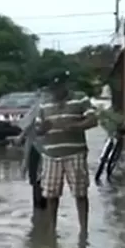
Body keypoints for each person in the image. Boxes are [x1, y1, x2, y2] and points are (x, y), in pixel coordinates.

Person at [35, 71, 97, 234]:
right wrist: (43, 128)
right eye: (53, 88)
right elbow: (38, 130)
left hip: (75, 153)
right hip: (51, 155)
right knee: (51, 194)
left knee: (80, 192)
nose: (56, 91)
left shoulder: (80, 98)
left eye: (59, 87)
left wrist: (75, 126)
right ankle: (52, 229)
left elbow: (93, 120)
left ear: (66, 85)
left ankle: (84, 230)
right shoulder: (44, 104)